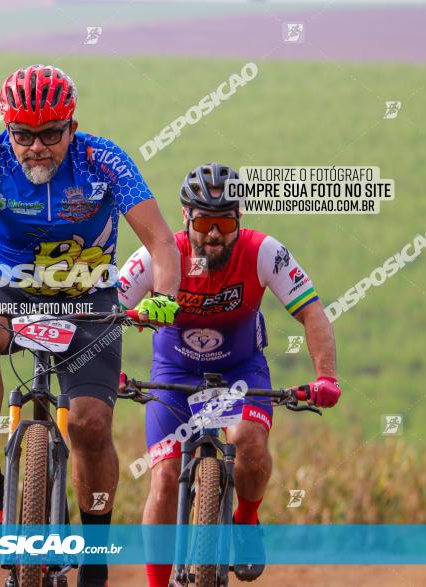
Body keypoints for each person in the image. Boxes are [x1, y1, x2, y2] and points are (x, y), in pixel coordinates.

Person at [0, 64, 181, 587]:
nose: (36, 147)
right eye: (23, 135)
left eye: (50, 134)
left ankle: (95, 558)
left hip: (89, 298)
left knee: (90, 427)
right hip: (10, 290)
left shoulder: (104, 161)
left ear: (72, 127)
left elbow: (161, 241)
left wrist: (164, 297)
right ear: (7, 129)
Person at [117, 163, 341, 585]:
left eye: (224, 222)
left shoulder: (264, 251)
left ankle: (247, 519)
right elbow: (109, 312)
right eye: (204, 221)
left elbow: (313, 313)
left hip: (241, 369)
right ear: (186, 218)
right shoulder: (156, 255)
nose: (214, 233)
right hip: (174, 371)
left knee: (248, 440)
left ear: (239, 219)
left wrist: (325, 376)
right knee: (164, 478)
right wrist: (106, 370)